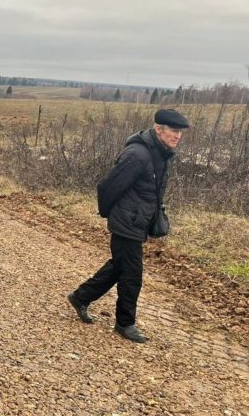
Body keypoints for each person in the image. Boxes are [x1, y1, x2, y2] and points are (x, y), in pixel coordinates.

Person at [67, 108, 190, 343]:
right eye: (173, 131)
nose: (177, 136)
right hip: (127, 223)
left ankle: (81, 297)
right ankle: (125, 323)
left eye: (180, 132)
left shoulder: (161, 153)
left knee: (119, 266)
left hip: (138, 221)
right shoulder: (138, 154)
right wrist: (110, 214)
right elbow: (107, 187)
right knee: (132, 275)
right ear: (158, 130)